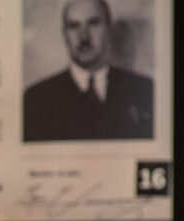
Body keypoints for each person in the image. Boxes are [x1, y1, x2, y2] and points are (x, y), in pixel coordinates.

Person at [23, 0, 153, 141]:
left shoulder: (144, 91)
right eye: (74, 26)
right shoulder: (36, 100)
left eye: (93, 23)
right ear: (65, 34)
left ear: (108, 29)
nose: (84, 36)